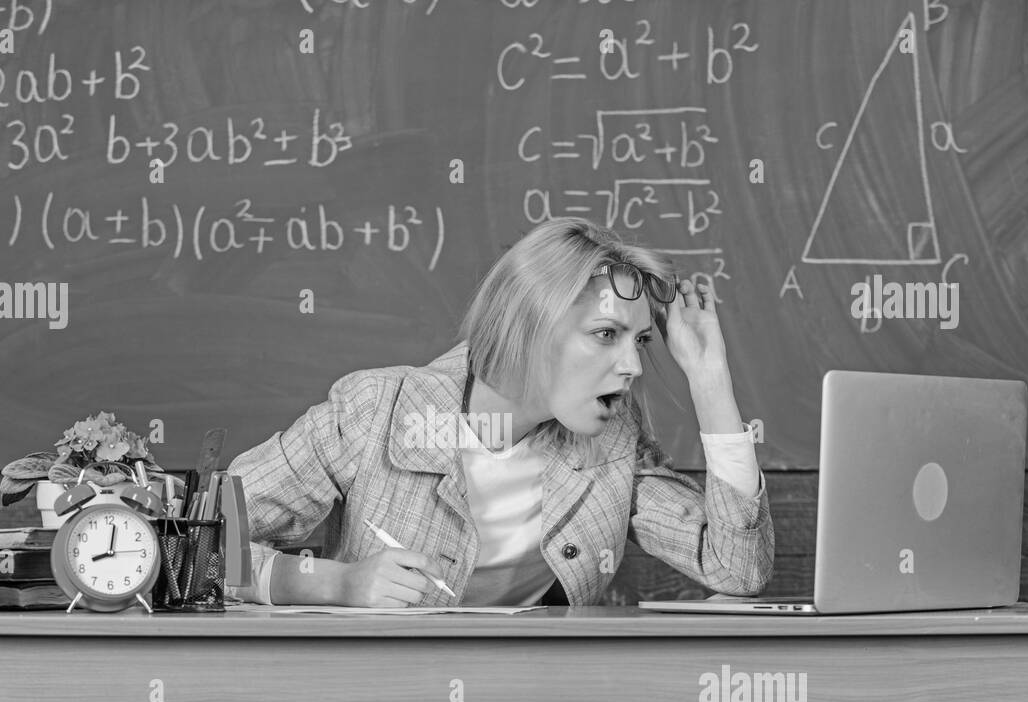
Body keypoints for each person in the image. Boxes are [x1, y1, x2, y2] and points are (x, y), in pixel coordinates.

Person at [226, 216, 773, 607]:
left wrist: (709, 381)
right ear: (530, 329)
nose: (631, 364)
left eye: (641, 342)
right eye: (606, 334)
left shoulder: (610, 443)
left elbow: (737, 568)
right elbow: (202, 544)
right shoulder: (377, 411)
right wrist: (334, 584)